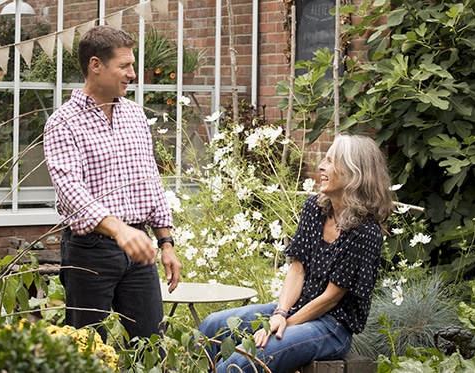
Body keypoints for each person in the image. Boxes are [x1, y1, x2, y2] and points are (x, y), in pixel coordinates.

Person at [198, 134, 395, 372]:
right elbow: (297, 269)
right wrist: (280, 313)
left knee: (246, 360)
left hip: (331, 327)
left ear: (354, 173)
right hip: (295, 310)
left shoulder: (365, 232)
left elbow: (331, 298)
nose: (321, 166)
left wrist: (281, 324)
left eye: (331, 161)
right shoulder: (315, 209)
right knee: (213, 326)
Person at [43, 25, 181, 341]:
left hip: (139, 248)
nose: (132, 73)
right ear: (96, 65)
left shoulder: (134, 115)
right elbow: (69, 189)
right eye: (124, 65)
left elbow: (150, 179)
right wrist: (119, 229)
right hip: (90, 250)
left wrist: (166, 242)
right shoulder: (63, 123)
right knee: (88, 347)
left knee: (151, 345)